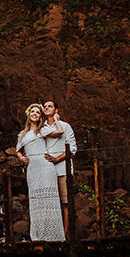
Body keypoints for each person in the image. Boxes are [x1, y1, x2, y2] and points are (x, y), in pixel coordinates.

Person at [16, 103, 65, 242]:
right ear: (28, 115)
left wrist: (56, 119)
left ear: (40, 117)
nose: (35, 114)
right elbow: (18, 150)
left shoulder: (42, 130)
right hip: (32, 169)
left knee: (49, 199)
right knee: (36, 200)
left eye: (38, 112)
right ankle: (38, 235)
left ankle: (54, 235)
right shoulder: (22, 134)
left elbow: (60, 131)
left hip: (46, 167)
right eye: (33, 112)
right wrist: (22, 158)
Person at [40, 100, 76, 237]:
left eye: (50, 106)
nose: (46, 108)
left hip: (62, 170)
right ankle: (52, 234)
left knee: (65, 203)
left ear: (56, 110)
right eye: (45, 106)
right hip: (46, 170)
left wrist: (57, 158)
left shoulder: (65, 126)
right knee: (49, 204)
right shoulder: (41, 128)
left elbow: (72, 149)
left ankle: (65, 235)